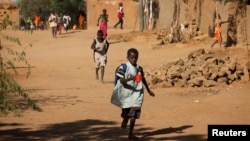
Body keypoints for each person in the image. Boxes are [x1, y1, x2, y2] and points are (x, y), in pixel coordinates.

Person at [111, 48, 155, 140]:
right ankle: (125, 119)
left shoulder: (139, 69)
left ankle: (130, 134)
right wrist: (131, 78)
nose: (134, 59)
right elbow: (121, 80)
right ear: (127, 57)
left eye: (135, 58)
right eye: (132, 57)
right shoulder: (123, 68)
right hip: (125, 94)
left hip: (136, 93)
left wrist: (148, 90)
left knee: (134, 114)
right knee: (126, 113)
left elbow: (142, 79)